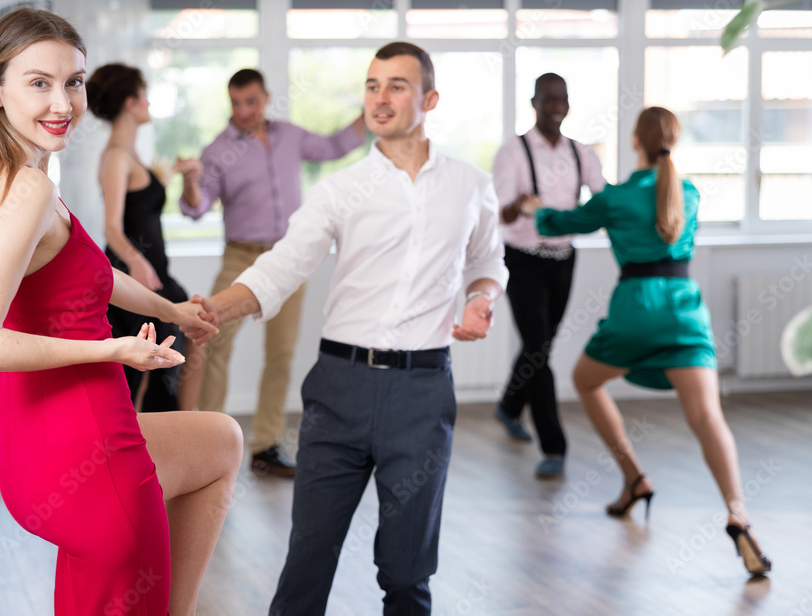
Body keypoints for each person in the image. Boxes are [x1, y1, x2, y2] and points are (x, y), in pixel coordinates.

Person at [0, 8, 242, 615]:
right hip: (81, 445)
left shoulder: (9, 177)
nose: (62, 103)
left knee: (221, 441)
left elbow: (94, 276)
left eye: (73, 82)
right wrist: (113, 349)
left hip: (40, 440)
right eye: (39, 83)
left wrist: (173, 310)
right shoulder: (29, 190)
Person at [198, 42, 508, 616]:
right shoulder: (339, 190)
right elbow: (280, 267)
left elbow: (488, 260)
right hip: (338, 389)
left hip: (422, 393)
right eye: (371, 85)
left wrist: (481, 298)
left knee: (408, 572)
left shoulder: (471, 184)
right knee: (308, 561)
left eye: (396, 86)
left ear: (429, 99)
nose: (379, 98)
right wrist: (211, 310)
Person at [535, 106, 771, 576]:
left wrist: (533, 210)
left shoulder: (615, 198)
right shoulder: (689, 193)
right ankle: (738, 513)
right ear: (674, 141)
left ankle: (635, 477)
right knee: (708, 417)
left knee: (585, 381)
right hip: (684, 310)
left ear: (635, 142)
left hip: (635, 310)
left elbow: (558, 224)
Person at [181, 68, 366, 476]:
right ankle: (208, 446)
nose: (244, 111)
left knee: (280, 354)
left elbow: (335, 146)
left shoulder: (290, 136)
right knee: (215, 346)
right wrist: (192, 181)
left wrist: (369, 111)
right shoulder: (218, 150)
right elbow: (196, 207)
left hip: (288, 258)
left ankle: (265, 446)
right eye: (236, 103)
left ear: (265, 98)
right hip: (240, 256)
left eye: (251, 102)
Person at [493, 73, 606, 478]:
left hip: (563, 258)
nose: (556, 107)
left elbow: (604, 198)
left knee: (539, 346)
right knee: (539, 350)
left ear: (568, 105)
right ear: (534, 103)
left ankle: (509, 405)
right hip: (522, 259)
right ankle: (554, 447)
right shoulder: (512, 152)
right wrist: (521, 204)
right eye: (548, 99)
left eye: (562, 100)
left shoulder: (581, 153)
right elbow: (501, 214)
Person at [86, 63, 205, 412]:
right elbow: (111, 226)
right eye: (144, 95)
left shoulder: (129, 154)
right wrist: (137, 262)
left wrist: (179, 175)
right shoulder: (116, 156)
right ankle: (164, 431)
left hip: (153, 272)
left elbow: (142, 206)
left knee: (186, 340)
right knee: (148, 364)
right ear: (130, 102)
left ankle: (182, 425)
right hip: (135, 273)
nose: (149, 102)